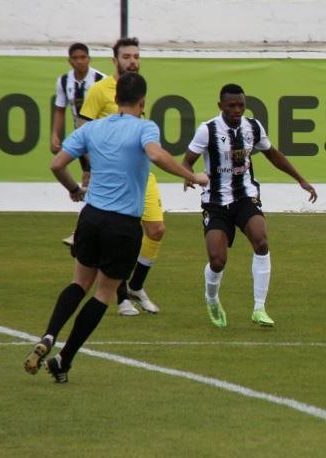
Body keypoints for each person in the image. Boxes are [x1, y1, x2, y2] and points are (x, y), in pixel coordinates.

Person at [23, 72, 209, 383]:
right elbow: (155, 154)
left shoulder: (93, 128)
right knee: (104, 293)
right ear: (143, 101)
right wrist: (192, 176)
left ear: (115, 98)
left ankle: (49, 334)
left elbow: (56, 164)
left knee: (78, 283)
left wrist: (73, 189)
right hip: (122, 224)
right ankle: (64, 360)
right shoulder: (145, 127)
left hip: (91, 216)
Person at [181, 84, 317, 328]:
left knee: (261, 240)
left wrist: (300, 179)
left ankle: (259, 308)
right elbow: (188, 160)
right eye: (231, 106)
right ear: (220, 106)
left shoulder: (252, 127)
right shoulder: (207, 130)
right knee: (217, 260)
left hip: (245, 196)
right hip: (215, 202)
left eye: (241, 105)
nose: (237, 110)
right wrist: (188, 176)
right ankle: (211, 298)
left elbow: (273, 154)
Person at [78, 37, 164, 317]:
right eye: (127, 57)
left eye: (136, 56)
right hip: (111, 179)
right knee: (119, 233)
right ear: (115, 61)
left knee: (156, 230)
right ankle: (120, 295)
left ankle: (135, 286)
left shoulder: (137, 89)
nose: (133, 61)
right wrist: (88, 169)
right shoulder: (100, 91)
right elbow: (82, 130)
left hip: (140, 175)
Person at [51, 42, 105, 246]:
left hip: (97, 139)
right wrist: (55, 135)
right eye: (76, 58)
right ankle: (86, 231)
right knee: (90, 182)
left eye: (83, 57)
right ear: (70, 60)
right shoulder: (64, 81)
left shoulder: (100, 80)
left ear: (89, 59)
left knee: (91, 181)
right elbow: (59, 109)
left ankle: (81, 231)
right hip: (81, 137)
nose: (80, 61)